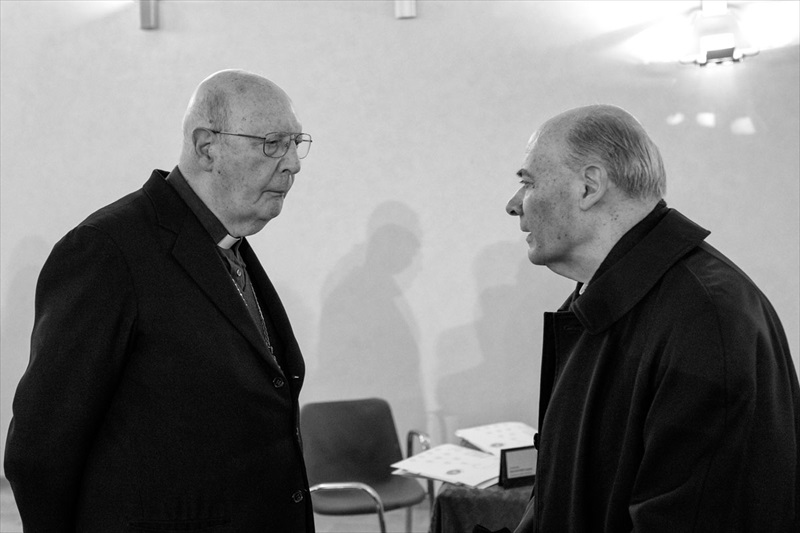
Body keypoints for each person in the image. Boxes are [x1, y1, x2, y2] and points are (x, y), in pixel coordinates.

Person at [4, 69, 316, 532]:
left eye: (295, 143)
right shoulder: (107, 251)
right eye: (272, 143)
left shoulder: (227, 246)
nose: (292, 163)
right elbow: (39, 450)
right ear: (206, 146)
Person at [505, 104, 799, 532]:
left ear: (589, 187)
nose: (514, 204)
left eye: (528, 182)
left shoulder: (706, 317)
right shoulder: (606, 297)